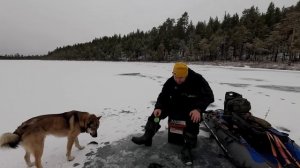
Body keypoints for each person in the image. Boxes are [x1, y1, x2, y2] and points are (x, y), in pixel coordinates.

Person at [131, 62, 214, 165]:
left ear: (186, 74)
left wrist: (198, 109)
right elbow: (162, 96)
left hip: (192, 108)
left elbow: (209, 96)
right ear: (173, 73)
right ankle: (147, 136)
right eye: (176, 77)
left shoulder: (197, 79)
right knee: (156, 114)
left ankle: (187, 147)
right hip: (174, 105)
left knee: (193, 119)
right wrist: (159, 107)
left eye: (181, 78)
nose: (178, 80)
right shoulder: (170, 82)